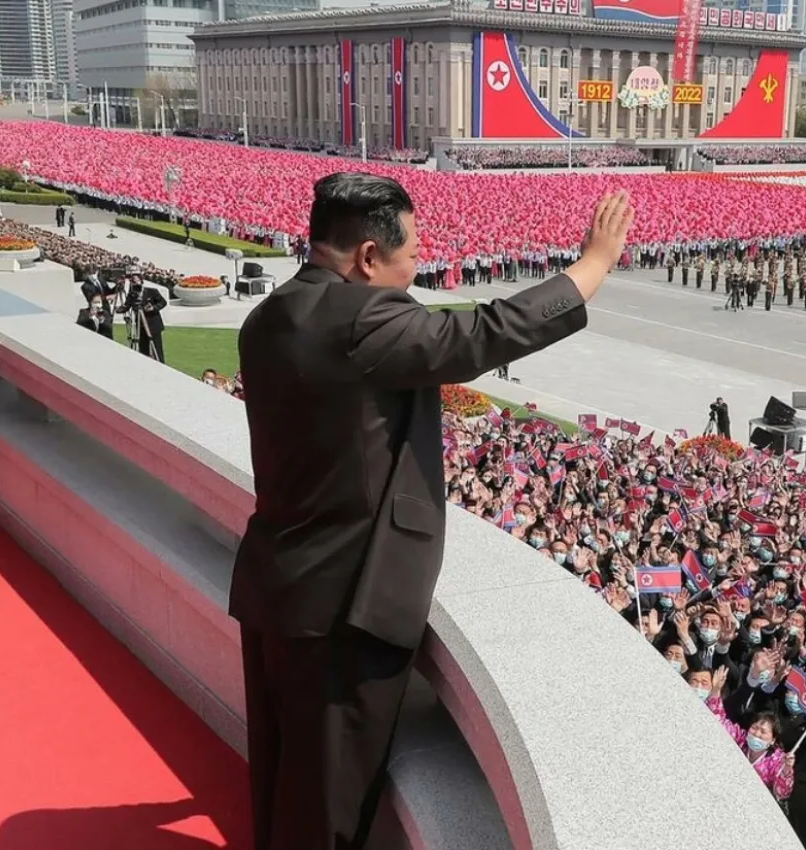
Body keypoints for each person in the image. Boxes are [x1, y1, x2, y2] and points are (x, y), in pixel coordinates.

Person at [230, 172, 633, 850]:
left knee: (281, 780)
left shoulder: (270, 314)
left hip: (282, 583)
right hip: (343, 607)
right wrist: (590, 267)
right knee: (328, 806)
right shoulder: (361, 318)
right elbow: (481, 336)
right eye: (411, 252)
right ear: (366, 258)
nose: (418, 265)